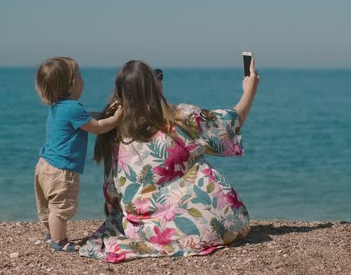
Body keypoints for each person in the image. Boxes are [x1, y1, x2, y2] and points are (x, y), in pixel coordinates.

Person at [80, 59, 259, 262]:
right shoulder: (180, 117)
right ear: (154, 87)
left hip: (145, 229)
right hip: (215, 223)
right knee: (197, 167)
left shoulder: (111, 129)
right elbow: (231, 122)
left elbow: (112, 189)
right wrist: (250, 89)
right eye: (157, 76)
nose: (160, 80)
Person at [34, 57, 122, 252]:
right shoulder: (73, 108)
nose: (84, 81)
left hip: (44, 164)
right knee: (60, 206)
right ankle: (59, 241)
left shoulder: (59, 106)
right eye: (80, 77)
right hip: (61, 168)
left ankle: (52, 234)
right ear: (71, 84)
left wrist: (103, 113)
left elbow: (88, 117)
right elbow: (97, 127)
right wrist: (117, 118)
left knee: (49, 205)